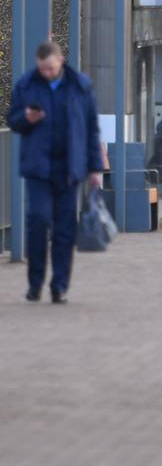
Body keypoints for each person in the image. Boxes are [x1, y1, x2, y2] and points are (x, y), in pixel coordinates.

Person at [7, 41, 104, 304]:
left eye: (50, 68)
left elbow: (91, 128)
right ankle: (35, 282)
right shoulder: (27, 85)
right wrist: (27, 118)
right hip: (38, 168)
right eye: (42, 69)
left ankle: (59, 284)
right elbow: (12, 119)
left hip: (69, 169)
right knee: (38, 220)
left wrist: (96, 167)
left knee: (64, 229)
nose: (46, 73)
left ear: (60, 60)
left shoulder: (80, 86)